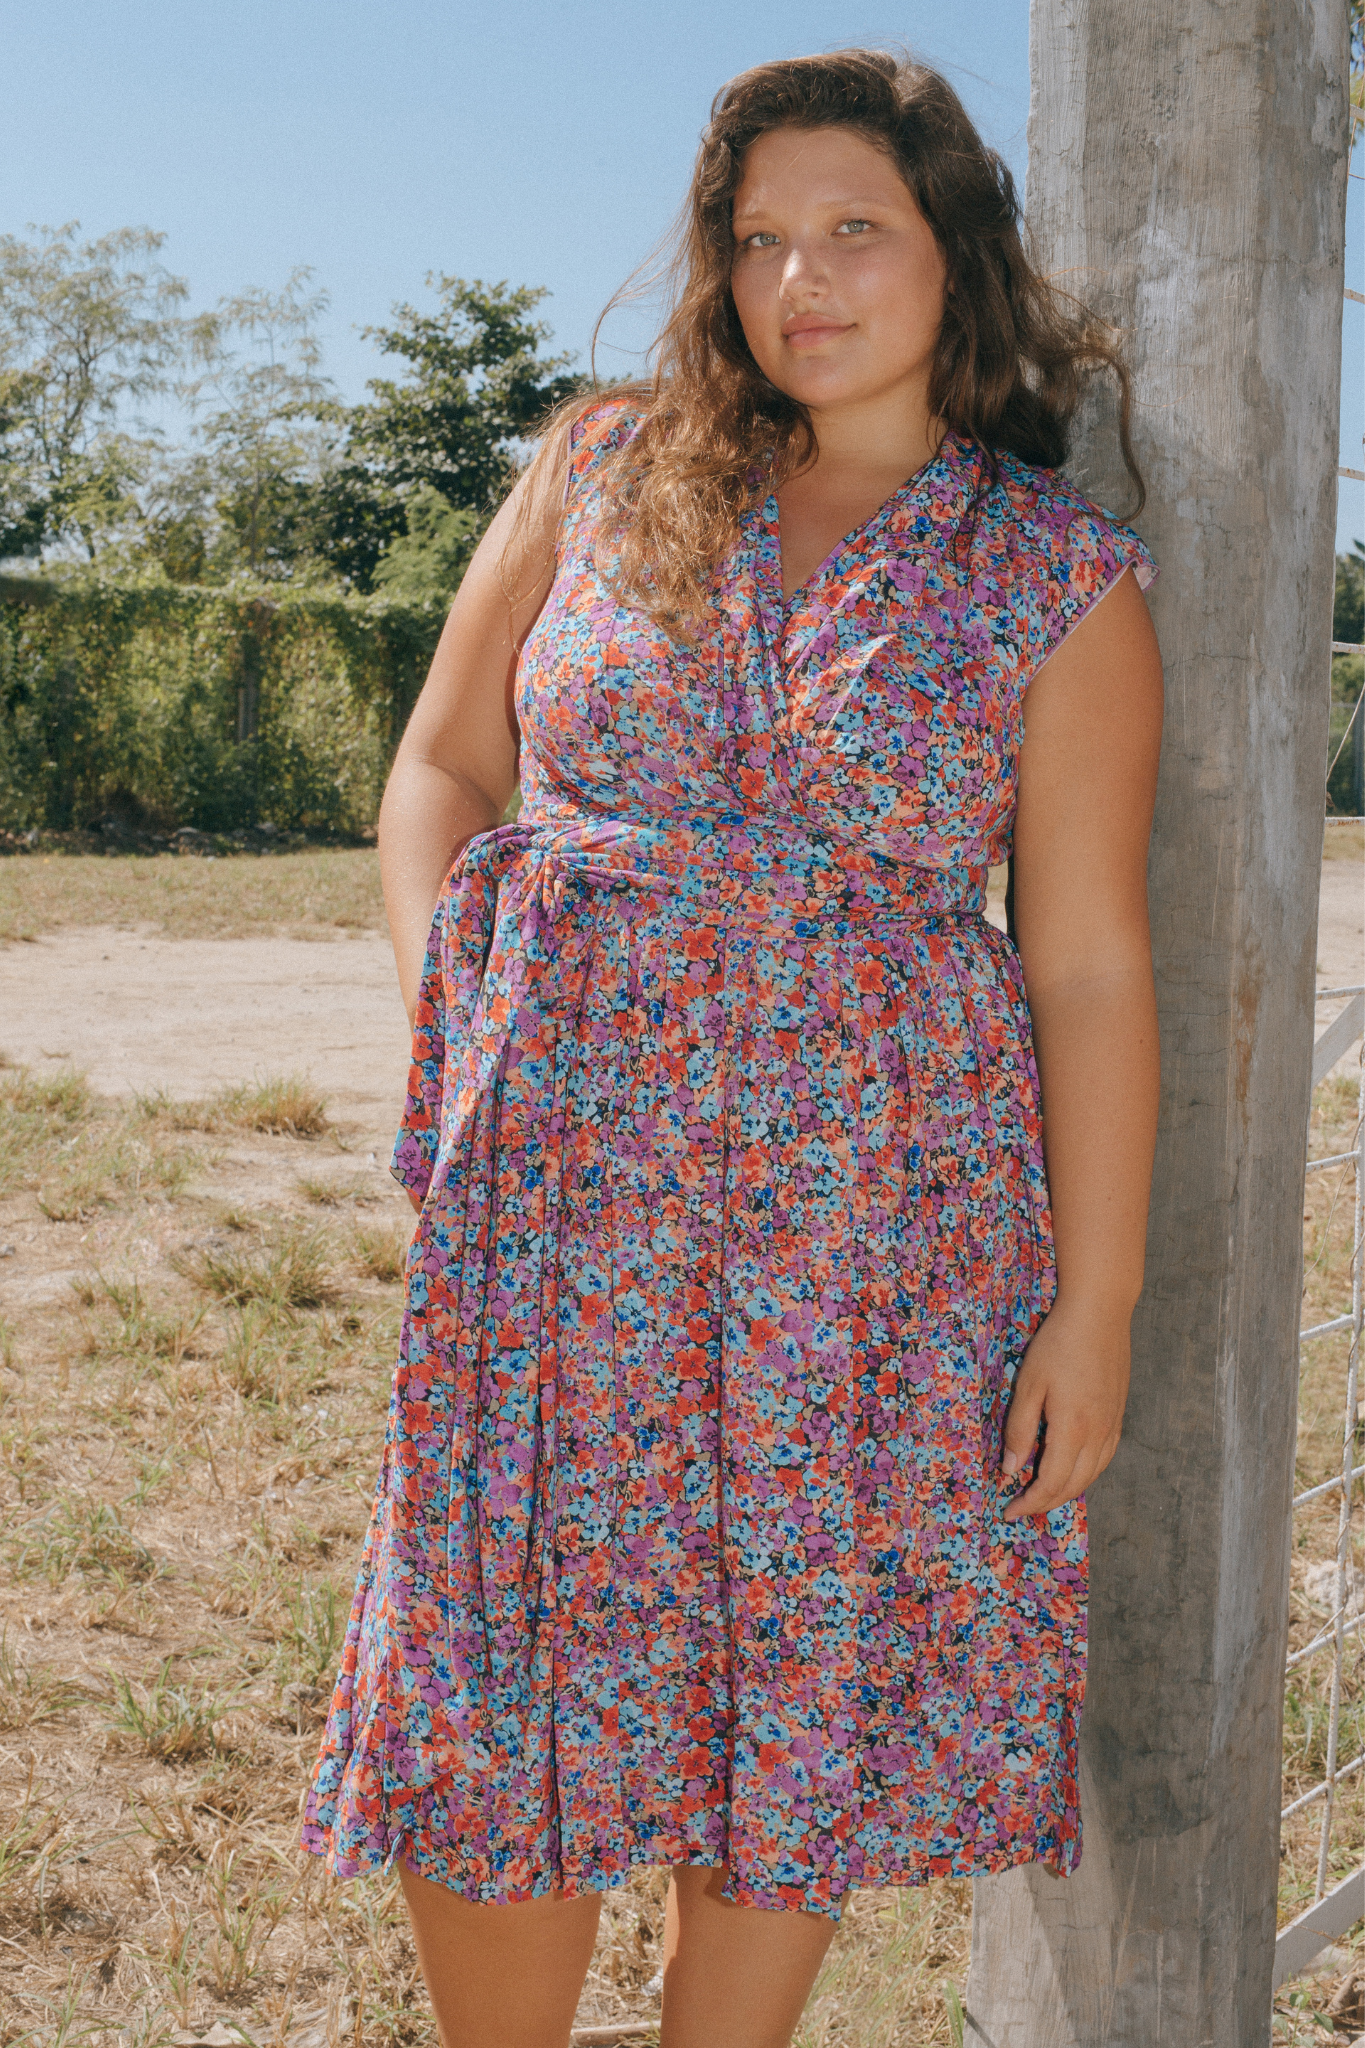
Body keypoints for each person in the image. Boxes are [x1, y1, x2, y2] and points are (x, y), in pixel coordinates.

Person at [303, 48, 1163, 2048]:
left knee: (785, 1682)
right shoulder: (600, 467)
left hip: (853, 1246)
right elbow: (443, 765)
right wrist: (466, 1011)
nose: (803, 278)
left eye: (852, 226)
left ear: (953, 247)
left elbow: (1092, 967)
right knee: (493, 1657)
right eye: (758, 238)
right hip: (551, 1201)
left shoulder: (1051, 582)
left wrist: (1093, 1303)